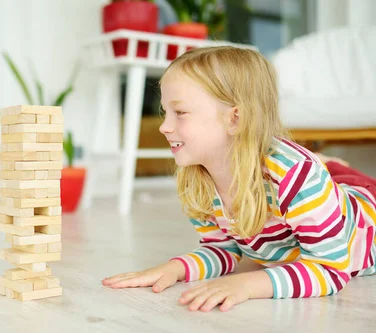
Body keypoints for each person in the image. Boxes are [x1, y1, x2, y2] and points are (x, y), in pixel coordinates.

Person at [102, 46, 376, 312]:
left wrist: (247, 284)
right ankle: (332, 168)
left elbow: (330, 269)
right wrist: (174, 268)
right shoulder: (198, 175)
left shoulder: (295, 176)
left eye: (180, 112)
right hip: (321, 189)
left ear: (235, 119)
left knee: (331, 179)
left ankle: (331, 167)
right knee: (327, 179)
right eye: (165, 112)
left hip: (366, 212)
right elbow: (223, 249)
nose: (164, 126)